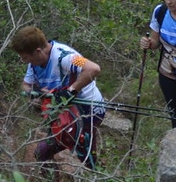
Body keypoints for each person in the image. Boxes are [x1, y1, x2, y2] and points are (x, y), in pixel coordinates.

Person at [11, 26, 105, 169]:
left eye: (25, 57)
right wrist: (36, 93)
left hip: (89, 109)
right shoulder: (34, 63)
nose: (24, 61)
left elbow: (93, 68)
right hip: (64, 112)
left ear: (38, 51)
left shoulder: (66, 56)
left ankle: (96, 177)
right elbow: (25, 85)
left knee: (82, 151)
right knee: (43, 153)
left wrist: (71, 91)